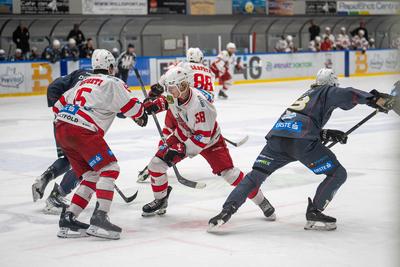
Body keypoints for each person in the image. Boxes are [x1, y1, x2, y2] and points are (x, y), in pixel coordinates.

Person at [208, 68, 394, 232]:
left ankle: (226, 212)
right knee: (338, 173)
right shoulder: (327, 90)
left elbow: (299, 120)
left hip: (277, 140)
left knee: (254, 177)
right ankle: (315, 212)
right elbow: (349, 94)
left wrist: (325, 134)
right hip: (301, 143)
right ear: (331, 83)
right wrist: (376, 99)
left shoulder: (308, 94)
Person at [140, 66, 275, 220]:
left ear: (183, 86)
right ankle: (161, 199)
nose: (170, 92)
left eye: (172, 89)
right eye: (168, 89)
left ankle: (261, 200)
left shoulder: (200, 106)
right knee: (156, 165)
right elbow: (166, 101)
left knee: (231, 175)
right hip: (183, 134)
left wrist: (181, 149)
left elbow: (202, 139)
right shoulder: (176, 94)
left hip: (211, 142)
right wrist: (150, 106)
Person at [54, 49, 148, 240]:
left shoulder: (82, 81)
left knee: (91, 175)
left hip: (62, 128)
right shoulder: (113, 82)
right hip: (82, 130)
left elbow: (57, 106)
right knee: (110, 169)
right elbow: (134, 109)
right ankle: (99, 217)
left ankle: (68, 218)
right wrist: (144, 111)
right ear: (111, 67)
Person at [137, 47, 215, 182]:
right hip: (198, 109)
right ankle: (165, 159)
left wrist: (153, 95)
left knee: (167, 133)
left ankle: (157, 162)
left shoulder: (183, 66)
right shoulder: (209, 71)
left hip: (178, 104)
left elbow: (165, 80)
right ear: (201, 59)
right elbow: (210, 96)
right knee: (196, 136)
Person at [32, 68, 94, 214]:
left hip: (62, 124)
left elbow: (53, 87)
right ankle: (56, 197)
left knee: (68, 158)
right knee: (86, 163)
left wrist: (63, 112)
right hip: (81, 127)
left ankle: (45, 177)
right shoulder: (107, 82)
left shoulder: (81, 72)